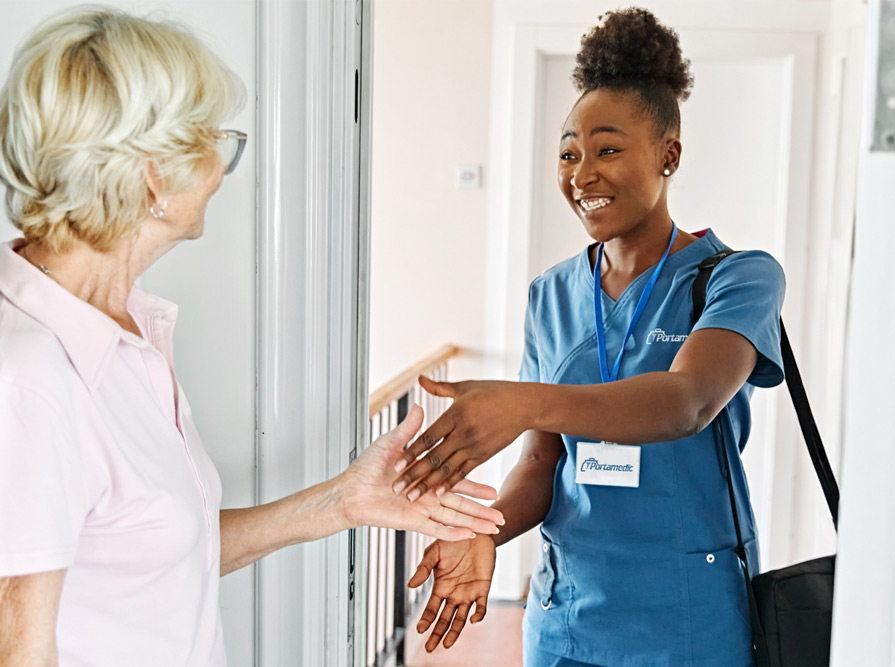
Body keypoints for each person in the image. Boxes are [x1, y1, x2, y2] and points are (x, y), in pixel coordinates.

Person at [0, 9, 502, 665]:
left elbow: (155, 552)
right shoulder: (32, 373)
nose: (222, 165)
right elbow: (18, 643)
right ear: (154, 174)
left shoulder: (124, 333)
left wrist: (343, 501)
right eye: (213, 139)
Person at [395, 8, 785, 666]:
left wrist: (526, 400)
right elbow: (542, 463)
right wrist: (486, 531)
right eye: (568, 153)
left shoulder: (738, 277)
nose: (582, 174)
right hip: (566, 624)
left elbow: (687, 400)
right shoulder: (550, 296)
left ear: (669, 153)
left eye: (607, 149)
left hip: (687, 627)